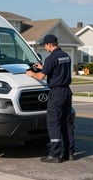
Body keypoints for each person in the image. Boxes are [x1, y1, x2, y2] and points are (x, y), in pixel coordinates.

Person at [26, 34, 75, 163]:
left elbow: (41, 77)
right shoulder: (66, 56)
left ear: (49, 44)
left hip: (56, 93)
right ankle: (69, 152)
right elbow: (57, 69)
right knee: (67, 123)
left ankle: (54, 154)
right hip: (67, 91)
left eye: (45, 45)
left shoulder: (51, 58)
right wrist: (43, 67)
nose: (45, 47)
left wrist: (31, 73)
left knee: (54, 122)